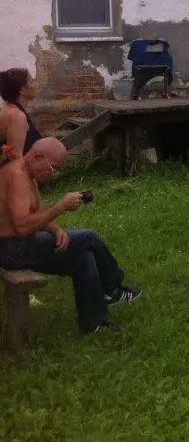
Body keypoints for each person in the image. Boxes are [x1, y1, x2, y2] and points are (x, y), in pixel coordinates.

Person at [0, 137, 141, 334]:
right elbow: (22, 227)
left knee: (83, 257)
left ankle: (94, 323)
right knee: (88, 237)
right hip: (10, 249)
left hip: (21, 244)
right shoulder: (17, 176)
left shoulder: (28, 174)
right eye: (53, 167)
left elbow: (38, 214)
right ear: (37, 155)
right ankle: (112, 288)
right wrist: (61, 207)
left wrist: (57, 230)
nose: (53, 174)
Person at [0, 68, 43, 157]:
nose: (36, 84)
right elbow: (15, 157)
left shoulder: (7, 107)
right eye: (32, 81)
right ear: (22, 90)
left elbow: (8, 150)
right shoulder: (17, 116)